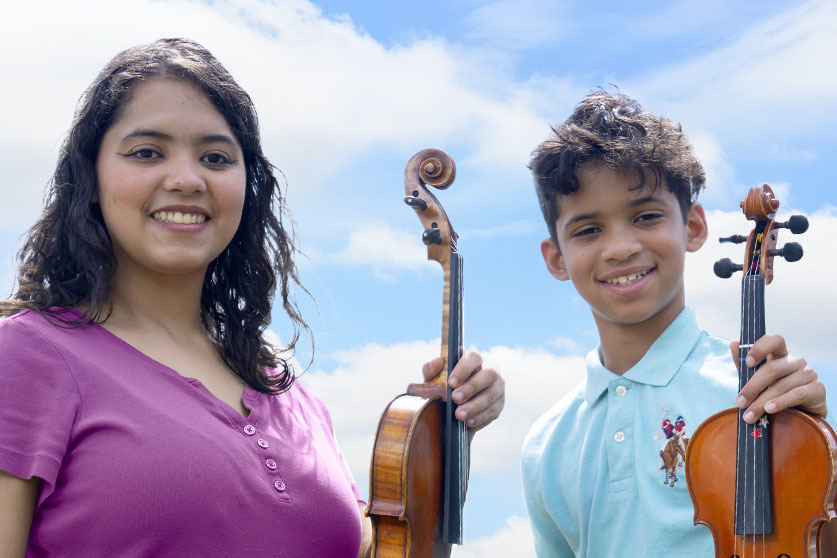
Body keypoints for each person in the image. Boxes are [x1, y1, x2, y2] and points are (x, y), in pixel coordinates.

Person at [0, 38, 505, 557]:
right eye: (147, 152)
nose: (186, 179)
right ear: (90, 179)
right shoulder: (24, 355)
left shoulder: (287, 391)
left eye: (216, 158)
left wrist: (443, 443)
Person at [520, 90, 828, 556]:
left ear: (695, 227)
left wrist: (823, 450)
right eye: (588, 229)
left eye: (645, 216)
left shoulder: (761, 394)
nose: (620, 247)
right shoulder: (545, 445)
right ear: (556, 258)